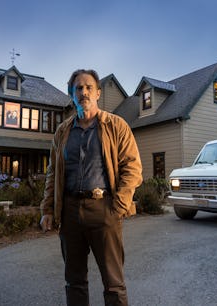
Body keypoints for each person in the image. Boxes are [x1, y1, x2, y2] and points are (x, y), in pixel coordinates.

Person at [40, 69, 142, 306]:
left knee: (113, 283)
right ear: (71, 95)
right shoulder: (62, 132)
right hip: (70, 213)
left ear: (98, 93)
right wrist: (47, 210)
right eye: (78, 88)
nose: (83, 92)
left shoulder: (116, 126)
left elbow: (133, 168)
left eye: (88, 87)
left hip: (104, 209)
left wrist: (118, 206)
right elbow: (52, 174)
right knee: (74, 281)